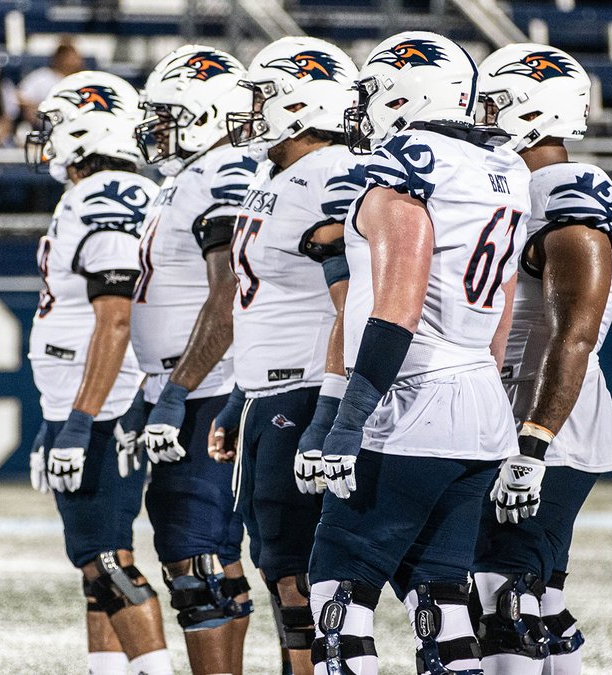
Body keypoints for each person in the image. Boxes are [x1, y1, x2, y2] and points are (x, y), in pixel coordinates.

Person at [307, 31, 531, 675]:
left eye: (376, 91)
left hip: (411, 400)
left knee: (339, 588)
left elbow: (396, 307)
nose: (365, 107)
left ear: (408, 94)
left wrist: (348, 420)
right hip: (479, 400)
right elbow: (503, 304)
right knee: (441, 594)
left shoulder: (411, 163)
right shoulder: (502, 167)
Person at [207, 36, 363, 675]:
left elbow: (354, 300)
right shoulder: (281, 174)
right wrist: (241, 394)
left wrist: (328, 408)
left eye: (263, 94)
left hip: (302, 392)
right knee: (283, 571)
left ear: (303, 103)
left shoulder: (329, 172)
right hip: (271, 391)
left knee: (300, 575)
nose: (252, 108)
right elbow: (266, 301)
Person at [471, 45, 612, 675]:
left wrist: (532, 446)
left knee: (500, 596)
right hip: (521, 409)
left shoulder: (567, 186)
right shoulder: (511, 186)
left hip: (543, 420)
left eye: (494, 102)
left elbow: (575, 334)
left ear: (534, 109)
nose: (481, 114)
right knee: (541, 600)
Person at [24, 77, 173, 675]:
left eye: (55, 123)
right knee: (97, 561)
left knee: (107, 559)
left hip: (107, 401)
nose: (46, 138)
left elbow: (114, 321)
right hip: (99, 397)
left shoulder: (104, 196)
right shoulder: (128, 191)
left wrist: (80, 422)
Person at [118, 44, 258, 675]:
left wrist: (176, 390)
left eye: (171, 112)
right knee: (213, 559)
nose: (158, 126)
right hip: (194, 384)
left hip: (208, 389)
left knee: (195, 558)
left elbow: (229, 295)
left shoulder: (222, 173)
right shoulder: (190, 176)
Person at [19, 39, 86, 125]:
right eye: (67, 56)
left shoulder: (83, 79)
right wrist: (40, 110)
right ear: (58, 58)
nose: (73, 61)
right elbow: (21, 96)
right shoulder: (42, 77)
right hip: (47, 126)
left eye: (75, 57)